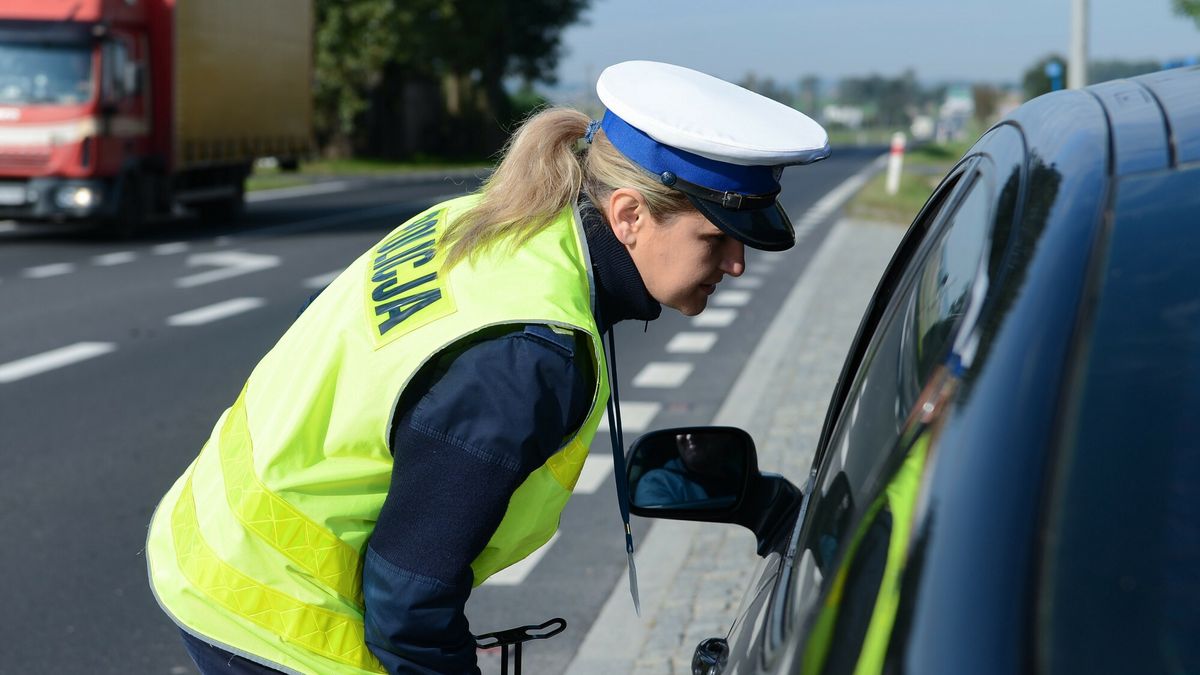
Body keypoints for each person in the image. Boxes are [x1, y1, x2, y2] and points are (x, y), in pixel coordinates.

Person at [145, 60, 829, 674]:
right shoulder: (528, 356)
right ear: (627, 214)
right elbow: (411, 606)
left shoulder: (493, 222)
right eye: (715, 239)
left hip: (221, 551)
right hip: (276, 614)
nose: (736, 264)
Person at [634, 432, 741, 509]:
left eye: (700, 431)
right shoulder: (656, 482)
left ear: (724, 437)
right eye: (681, 433)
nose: (690, 436)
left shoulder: (737, 473)